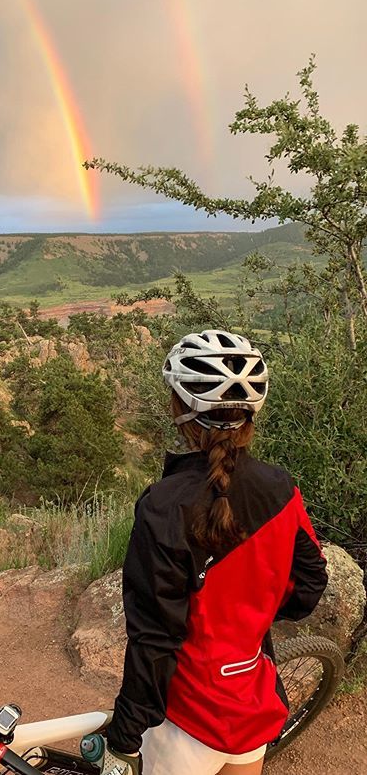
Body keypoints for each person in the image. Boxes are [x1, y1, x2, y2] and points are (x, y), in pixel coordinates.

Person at [101, 329, 328, 775]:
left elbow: (153, 638)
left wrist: (123, 739)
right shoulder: (282, 489)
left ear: (179, 410)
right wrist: (249, 612)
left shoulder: (163, 506)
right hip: (249, 705)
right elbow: (309, 586)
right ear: (249, 417)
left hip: (184, 724)